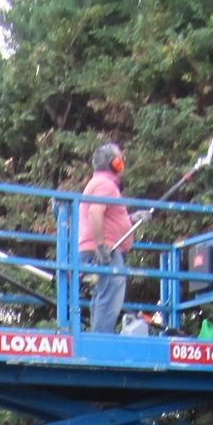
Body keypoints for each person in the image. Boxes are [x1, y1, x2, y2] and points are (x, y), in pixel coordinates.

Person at [78, 142, 132, 333]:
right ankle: (101, 340)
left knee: (101, 294)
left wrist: (133, 218)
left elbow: (109, 217)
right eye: (120, 158)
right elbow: (95, 212)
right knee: (111, 292)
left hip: (95, 247)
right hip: (103, 250)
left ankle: (97, 337)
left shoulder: (99, 183)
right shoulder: (105, 185)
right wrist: (100, 246)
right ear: (115, 163)